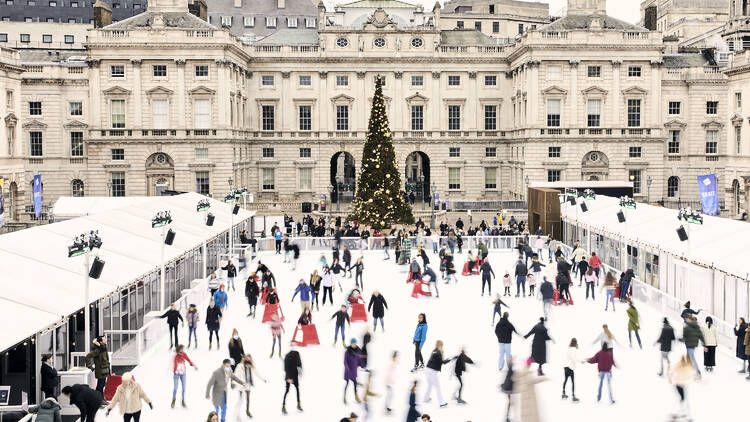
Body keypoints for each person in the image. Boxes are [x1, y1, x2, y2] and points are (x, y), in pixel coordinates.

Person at [233, 354, 266, 418]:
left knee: (248, 399)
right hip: (241, 385)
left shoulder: (251, 366)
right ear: (244, 358)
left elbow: (257, 373)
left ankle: (247, 411)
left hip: (248, 385)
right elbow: (235, 374)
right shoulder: (240, 366)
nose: (248, 359)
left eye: (249, 358)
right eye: (247, 358)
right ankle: (238, 413)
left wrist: (263, 379)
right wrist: (234, 383)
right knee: (240, 399)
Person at [424, 340, 450, 408]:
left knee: (430, 385)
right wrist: (449, 359)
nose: (442, 347)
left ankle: (426, 398)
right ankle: (441, 403)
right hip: (432, 371)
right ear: (440, 345)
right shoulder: (438, 352)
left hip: (428, 370)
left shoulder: (434, 350)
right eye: (442, 345)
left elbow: (439, 361)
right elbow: (442, 362)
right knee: (437, 387)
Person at [669, 355, 695, 419]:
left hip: (677, 383)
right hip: (682, 384)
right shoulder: (689, 366)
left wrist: (670, 378)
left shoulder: (678, 364)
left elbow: (671, 371)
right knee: (683, 398)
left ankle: (681, 412)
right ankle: (682, 412)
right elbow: (692, 375)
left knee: (682, 398)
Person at [282, 346, 303, 415]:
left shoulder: (294, 354)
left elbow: (299, 364)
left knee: (296, 389)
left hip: (294, 375)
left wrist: (300, 371)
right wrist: (289, 378)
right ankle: (283, 406)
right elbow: (286, 367)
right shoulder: (290, 356)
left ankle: (298, 404)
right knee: (287, 390)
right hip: (290, 376)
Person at [343, 338, 364, 404]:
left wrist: (361, 365)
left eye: (355, 343)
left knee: (355, 383)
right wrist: (347, 368)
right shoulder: (347, 351)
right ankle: (344, 397)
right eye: (353, 343)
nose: (354, 345)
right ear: (351, 344)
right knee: (347, 384)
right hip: (348, 371)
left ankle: (356, 396)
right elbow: (345, 361)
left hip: (354, 370)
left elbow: (359, 359)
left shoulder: (358, 350)